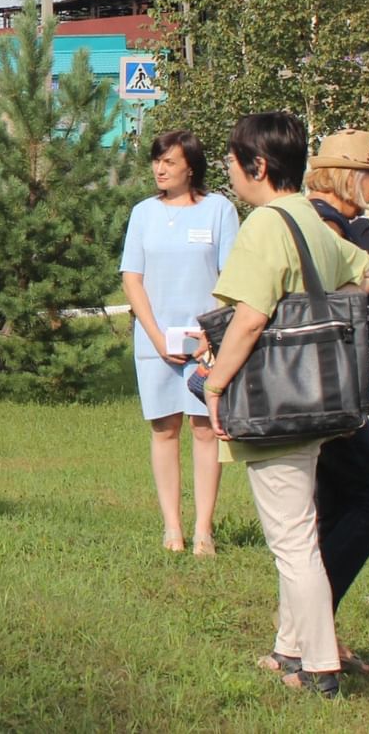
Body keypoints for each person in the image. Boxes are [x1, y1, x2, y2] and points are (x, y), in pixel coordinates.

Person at [202, 112, 369, 698]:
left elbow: (251, 318)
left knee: (293, 542)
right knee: (300, 532)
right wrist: (328, 316)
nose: (228, 169)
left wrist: (213, 385)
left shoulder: (262, 226)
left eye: (233, 159)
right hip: (323, 396)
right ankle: (289, 649)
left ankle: (320, 667)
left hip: (277, 403)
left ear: (257, 166)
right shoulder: (309, 215)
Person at [301, 130, 369, 670]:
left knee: (333, 511)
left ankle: (315, 632)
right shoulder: (324, 226)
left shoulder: (339, 225)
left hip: (333, 389)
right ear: (347, 176)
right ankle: (306, 631)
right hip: (327, 389)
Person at [120, 130, 240, 555]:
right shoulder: (143, 213)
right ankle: (172, 528)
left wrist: (211, 333)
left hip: (204, 342)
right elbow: (132, 278)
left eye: (169, 161)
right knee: (164, 429)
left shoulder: (219, 210)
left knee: (205, 428)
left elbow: (232, 277)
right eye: (156, 161)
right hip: (155, 338)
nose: (160, 169)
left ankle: (203, 529)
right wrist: (154, 336)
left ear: (191, 165)